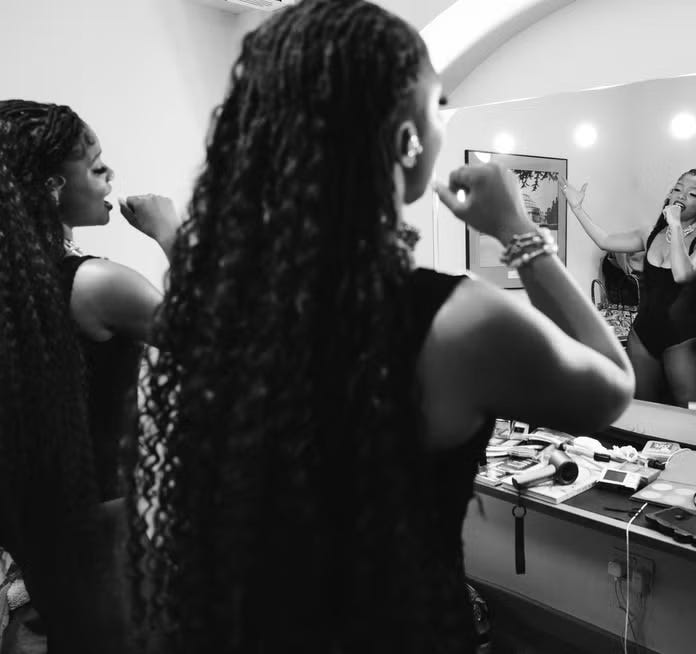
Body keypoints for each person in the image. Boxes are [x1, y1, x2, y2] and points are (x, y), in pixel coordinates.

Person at [125, 2, 634, 653]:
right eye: (437, 105)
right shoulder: (459, 320)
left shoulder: (230, 299)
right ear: (405, 141)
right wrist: (520, 233)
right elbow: (614, 386)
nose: (443, 125)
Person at [0, 100, 177, 652]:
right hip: (105, 525)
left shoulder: (20, 289)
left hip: (40, 525)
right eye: (98, 166)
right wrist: (175, 234)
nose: (111, 178)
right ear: (53, 186)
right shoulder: (98, 285)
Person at [560, 170, 696, 406]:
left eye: (692, 193)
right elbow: (605, 240)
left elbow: (682, 273)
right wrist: (577, 208)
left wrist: (674, 225)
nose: (681, 196)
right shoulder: (649, 233)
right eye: (677, 189)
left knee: (695, 412)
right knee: (645, 410)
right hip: (642, 336)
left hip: (680, 342)